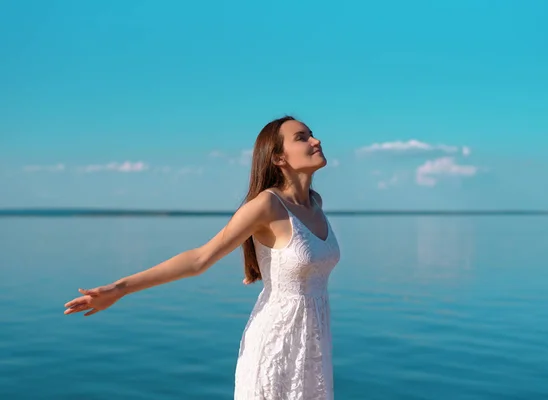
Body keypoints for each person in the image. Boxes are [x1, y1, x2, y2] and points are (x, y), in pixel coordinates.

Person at [63, 115, 341, 400]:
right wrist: (119, 288)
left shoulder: (315, 203)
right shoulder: (267, 205)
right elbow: (199, 259)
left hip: (313, 347)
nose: (315, 141)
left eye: (311, 134)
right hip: (276, 347)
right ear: (278, 158)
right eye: (302, 137)